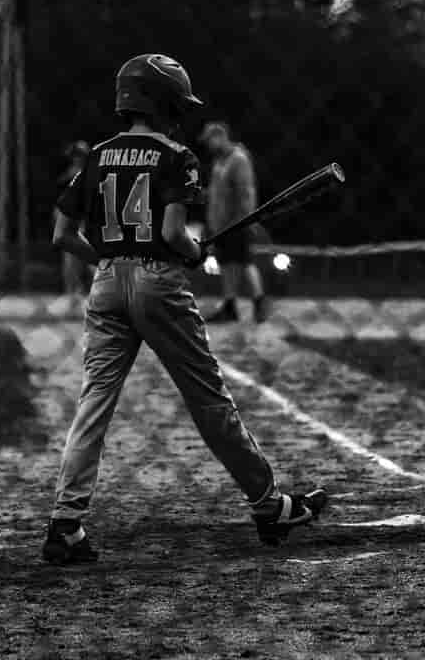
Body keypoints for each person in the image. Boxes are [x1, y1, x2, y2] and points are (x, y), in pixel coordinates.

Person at [43, 53, 326, 565]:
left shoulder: (99, 153)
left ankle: (66, 523)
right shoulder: (177, 156)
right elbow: (175, 235)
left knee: (94, 403)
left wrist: (107, 257)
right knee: (208, 398)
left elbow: (63, 234)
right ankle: (269, 505)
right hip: (158, 284)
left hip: (105, 284)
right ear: (165, 102)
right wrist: (195, 255)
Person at [199, 121, 268, 323]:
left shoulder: (238, 159)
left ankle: (259, 302)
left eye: (210, 140)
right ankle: (230, 305)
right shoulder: (220, 161)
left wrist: (244, 220)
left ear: (220, 136)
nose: (208, 145)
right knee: (227, 263)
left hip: (237, 222)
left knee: (245, 262)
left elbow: (246, 193)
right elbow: (218, 192)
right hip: (221, 224)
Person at [55, 141, 93, 304]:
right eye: (75, 156)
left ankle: (92, 293)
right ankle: (72, 294)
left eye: (79, 156)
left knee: (92, 261)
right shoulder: (68, 176)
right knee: (71, 260)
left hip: (88, 221)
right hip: (73, 222)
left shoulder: (90, 174)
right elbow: (60, 203)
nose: (77, 159)